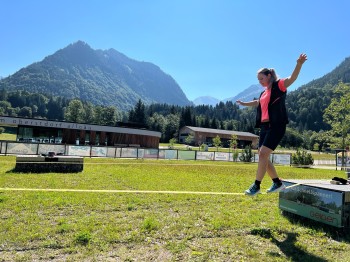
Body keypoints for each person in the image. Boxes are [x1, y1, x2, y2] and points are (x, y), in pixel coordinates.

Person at [236, 53, 307, 196]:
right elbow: (257, 103)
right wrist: (244, 103)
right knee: (262, 155)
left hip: (277, 125)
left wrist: (299, 64)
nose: (260, 81)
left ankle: (256, 186)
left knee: (263, 154)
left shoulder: (278, 85)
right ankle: (277, 183)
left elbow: (292, 79)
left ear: (269, 75)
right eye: (258, 80)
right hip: (264, 127)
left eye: (261, 78)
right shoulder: (263, 93)